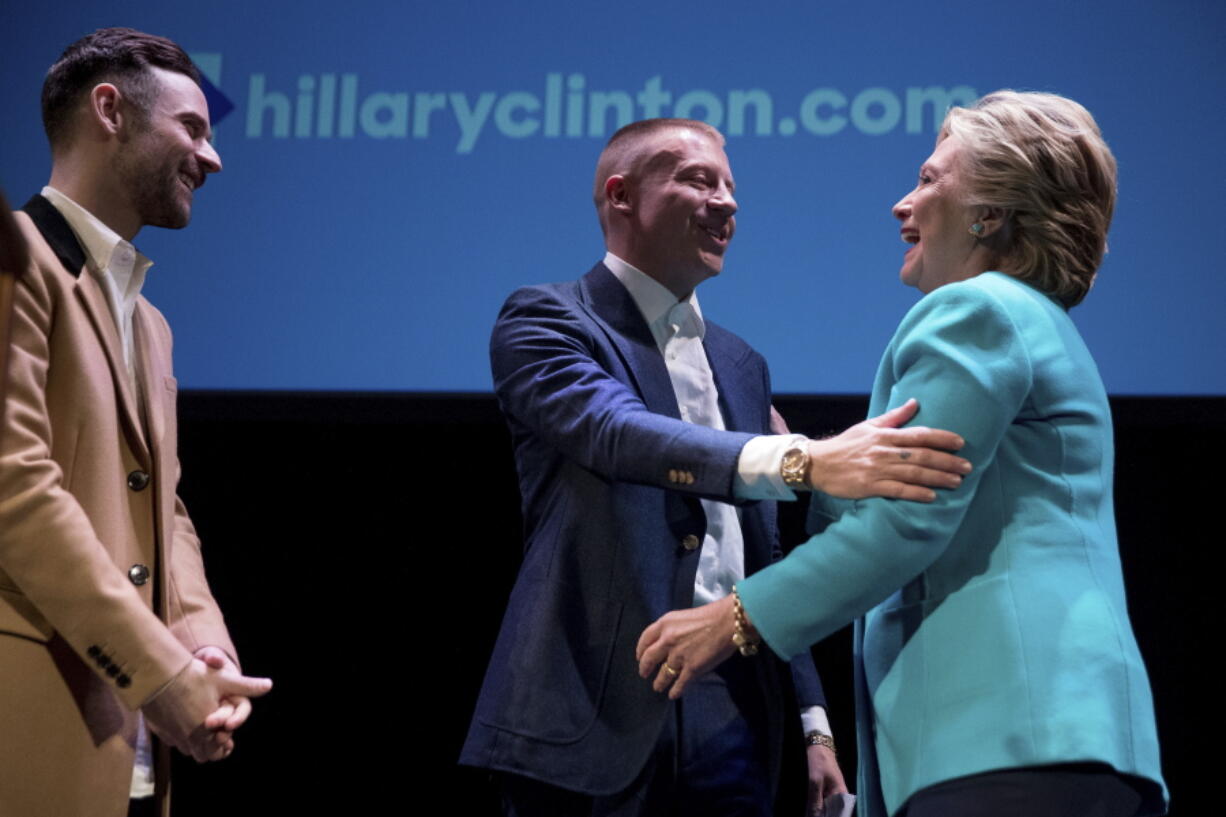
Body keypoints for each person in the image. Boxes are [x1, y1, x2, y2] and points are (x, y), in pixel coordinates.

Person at [637, 92, 1168, 817]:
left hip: (1007, 731)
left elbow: (908, 521)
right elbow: (923, 495)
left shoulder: (977, 310)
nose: (901, 203)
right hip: (1052, 737)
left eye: (928, 178)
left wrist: (733, 617)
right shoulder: (1033, 321)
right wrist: (821, 462)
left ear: (988, 214)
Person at [461, 117, 972, 817]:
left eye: (730, 187)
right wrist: (806, 459)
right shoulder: (548, 320)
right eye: (699, 180)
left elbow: (761, 554)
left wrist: (813, 722)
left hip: (733, 702)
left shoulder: (741, 363)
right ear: (620, 196)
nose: (727, 203)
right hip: (587, 703)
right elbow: (618, 433)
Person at [0, 28, 272, 817]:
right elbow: (15, 488)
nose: (212, 158)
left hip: (128, 744)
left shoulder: (150, 323)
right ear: (110, 110)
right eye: (193, 127)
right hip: (32, 713)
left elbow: (166, 508)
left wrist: (199, 643)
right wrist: (159, 672)